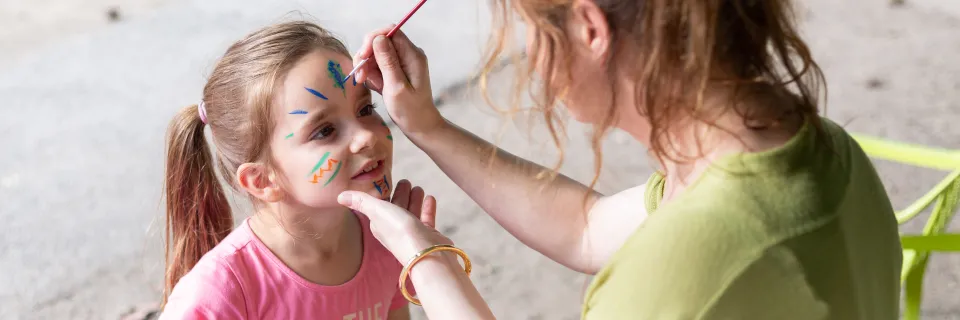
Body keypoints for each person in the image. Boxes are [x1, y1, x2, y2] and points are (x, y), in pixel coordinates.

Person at [338, 0, 903, 319]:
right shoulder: (818, 149)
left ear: (589, 28)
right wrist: (428, 127)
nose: (532, 59)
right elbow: (586, 227)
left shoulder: (688, 266)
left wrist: (425, 260)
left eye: (534, 34)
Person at [159, 21, 428, 320]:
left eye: (365, 110)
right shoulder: (221, 293)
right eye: (324, 131)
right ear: (262, 180)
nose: (365, 136)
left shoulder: (388, 239)